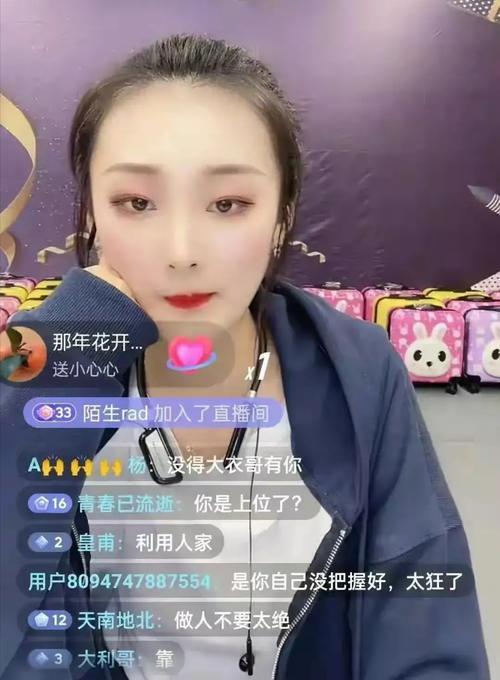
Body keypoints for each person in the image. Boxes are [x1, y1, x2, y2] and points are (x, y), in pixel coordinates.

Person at [0, 33, 490, 680]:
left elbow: (425, 622)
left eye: (228, 204)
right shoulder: (48, 364)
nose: (181, 250)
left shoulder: (358, 370)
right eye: (136, 203)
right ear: (91, 213)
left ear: (283, 213)